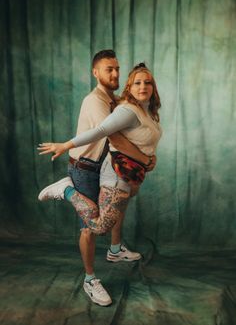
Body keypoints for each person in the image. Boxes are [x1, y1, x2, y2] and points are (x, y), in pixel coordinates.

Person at [38, 50, 157, 307]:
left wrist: (147, 155)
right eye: (108, 69)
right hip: (85, 168)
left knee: (119, 205)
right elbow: (114, 137)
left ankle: (115, 250)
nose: (114, 73)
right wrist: (144, 160)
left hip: (105, 166)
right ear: (96, 72)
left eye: (116, 68)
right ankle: (90, 279)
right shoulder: (95, 101)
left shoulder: (115, 100)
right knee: (91, 227)